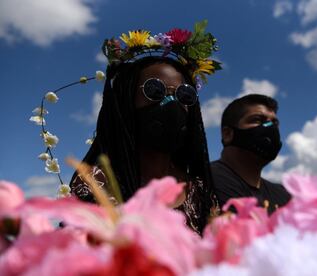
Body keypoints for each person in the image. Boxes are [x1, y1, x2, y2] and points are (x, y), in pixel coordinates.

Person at [70, 24, 221, 234]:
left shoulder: (200, 191)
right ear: (126, 103)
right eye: (154, 90)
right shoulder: (97, 183)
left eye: (184, 95)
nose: (171, 102)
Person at [211, 94, 291, 214]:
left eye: (274, 123)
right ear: (227, 134)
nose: (271, 128)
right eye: (257, 120)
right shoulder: (208, 180)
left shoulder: (283, 194)